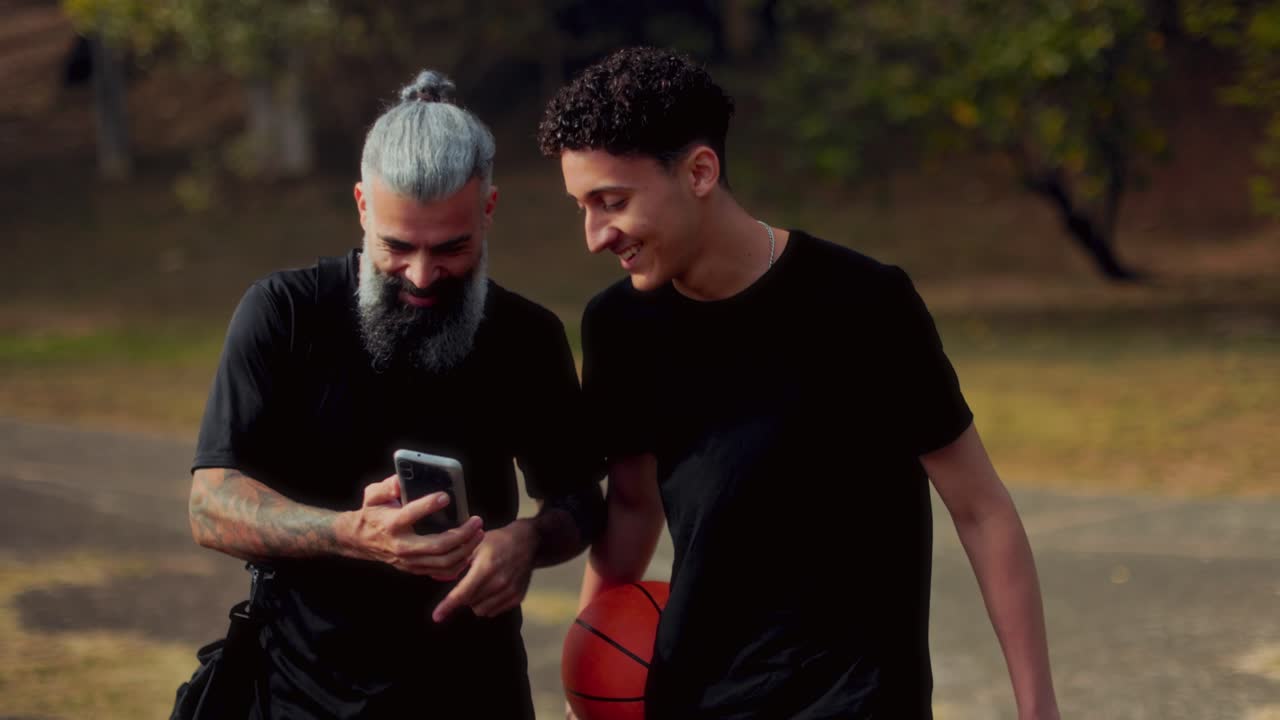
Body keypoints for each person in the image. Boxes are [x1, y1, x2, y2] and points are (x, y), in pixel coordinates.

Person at [538, 47, 1060, 719]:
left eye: (612, 202)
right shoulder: (619, 326)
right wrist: (591, 658)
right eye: (581, 206)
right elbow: (634, 507)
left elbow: (981, 511)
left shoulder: (864, 303)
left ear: (699, 172)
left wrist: (1038, 707)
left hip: (856, 699)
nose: (593, 235)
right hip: (697, 699)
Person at [186, 69, 604, 719]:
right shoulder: (286, 314)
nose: (422, 274)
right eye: (397, 246)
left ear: (488, 210)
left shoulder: (527, 336)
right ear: (362, 205)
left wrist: (529, 540)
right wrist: (350, 533)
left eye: (451, 248)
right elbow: (211, 505)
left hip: (476, 695)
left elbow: (579, 500)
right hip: (301, 695)